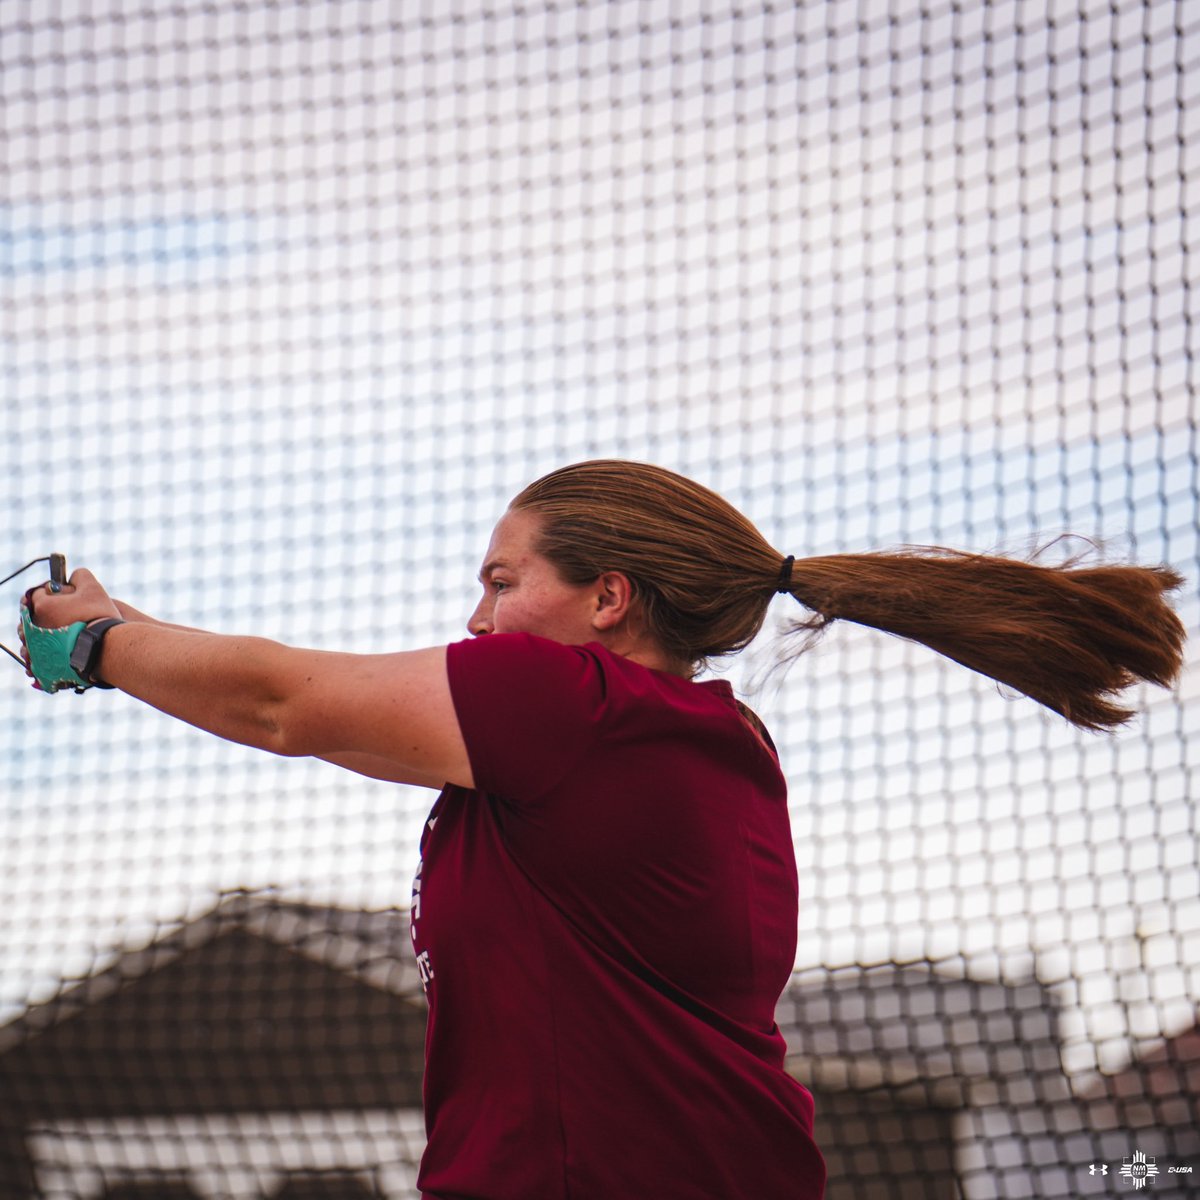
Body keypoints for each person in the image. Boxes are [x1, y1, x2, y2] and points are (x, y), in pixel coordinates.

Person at [22, 459, 1186, 1200]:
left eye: (501, 579)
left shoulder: (570, 710)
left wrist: (101, 644)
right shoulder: (680, 739)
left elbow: (280, 703)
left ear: (609, 598)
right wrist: (124, 625)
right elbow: (305, 711)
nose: (476, 618)